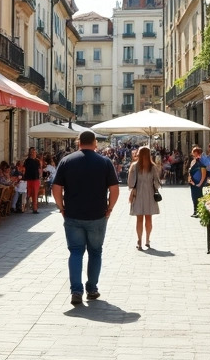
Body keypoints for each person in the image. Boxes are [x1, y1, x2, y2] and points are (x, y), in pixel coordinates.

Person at [52, 130, 119, 305]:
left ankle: (76, 290)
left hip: (73, 214)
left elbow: (56, 188)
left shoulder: (66, 161)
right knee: (95, 252)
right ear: (95, 143)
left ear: (78, 142)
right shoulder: (105, 162)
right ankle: (92, 288)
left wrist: (61, 207)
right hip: (97, 215)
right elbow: (114, 189)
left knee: (75, 252)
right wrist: (109, 208)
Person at [127, 146, 161, 250]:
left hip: (138, 194)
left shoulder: (134, 166)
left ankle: (139, 241)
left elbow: (131, 183)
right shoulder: (153, 166)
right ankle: (147, 239)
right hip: (150, 194)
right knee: (149, 218)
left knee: (139, 219)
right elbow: (157, 183)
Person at [22, 148, 43, 214]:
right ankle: (24, 207)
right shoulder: (26, 161)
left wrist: (40, 177)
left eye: (34, 152)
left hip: (35, 179)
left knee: (35, 195)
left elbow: (40, 170)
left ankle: (35, 209)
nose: (33, 153)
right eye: (32, 152)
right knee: (27, 194)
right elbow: (24, 169)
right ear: (30, 153)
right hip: (28, 179)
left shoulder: (37, 161)